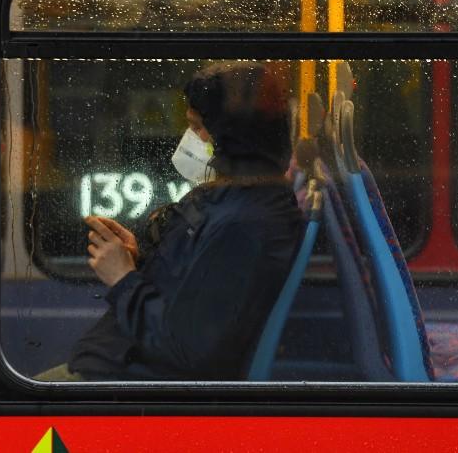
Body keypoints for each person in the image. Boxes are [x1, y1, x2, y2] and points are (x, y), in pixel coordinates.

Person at [38, 62, 303, 381]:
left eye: (197, 127)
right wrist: (136, 261)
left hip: (130, 385)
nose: (190, 138)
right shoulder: (237, 202)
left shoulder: (244, 226)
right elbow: (192, 288)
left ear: (232, 135)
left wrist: (123, 279)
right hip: (117, 367)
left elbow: (185, 348)